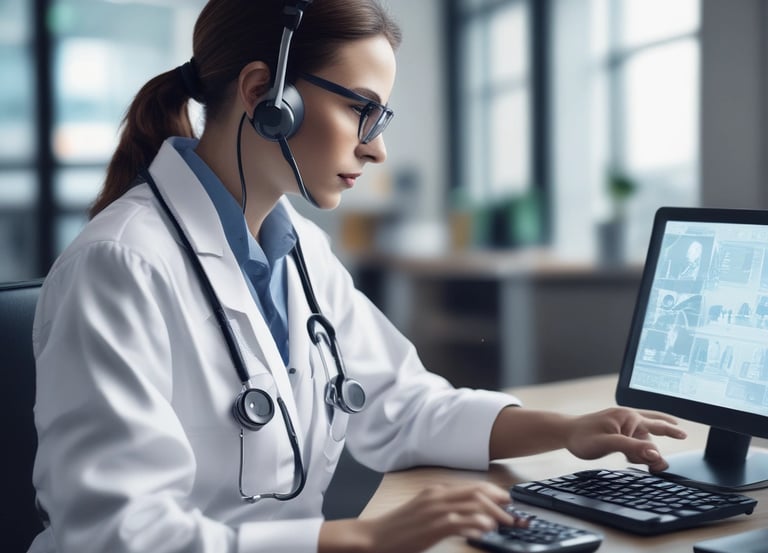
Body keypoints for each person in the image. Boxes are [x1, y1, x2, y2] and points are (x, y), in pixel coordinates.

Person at [28, 1, 687, 552]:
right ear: (263, 95)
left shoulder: (301, 251)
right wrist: (359, 538)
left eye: (381, 117)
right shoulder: (120, 264)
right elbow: (115, 532)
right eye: (359, 110)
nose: (376, 147)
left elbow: (405, 407)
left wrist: (566, 431)